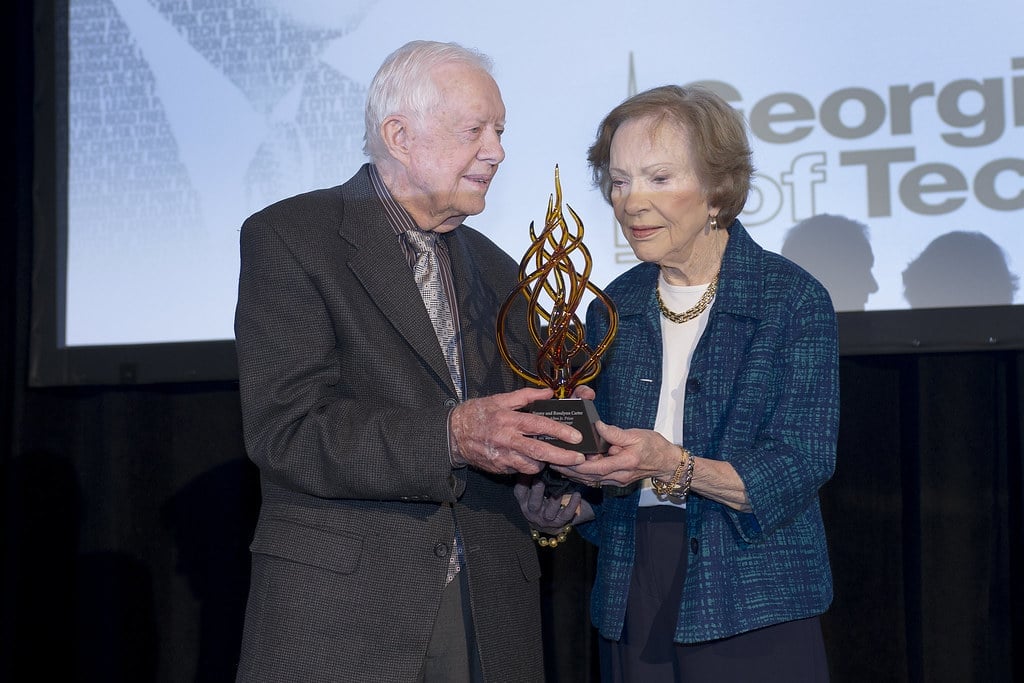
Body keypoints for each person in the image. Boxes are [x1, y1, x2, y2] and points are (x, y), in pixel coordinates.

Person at [234, 40, 590, 682]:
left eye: (501, 131)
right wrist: (451, 436)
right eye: (475, 130)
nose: (497, 151)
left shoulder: (497, 268)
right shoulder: (292, 238)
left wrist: (549, 476)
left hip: (490, 614)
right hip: (344, 613)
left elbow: (509, 433)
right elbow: (286, 432)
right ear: (399, 135)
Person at [517, 85, 839, 681]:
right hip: (633, 579)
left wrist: (673, 465)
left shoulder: (790, 299)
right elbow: (615, 464)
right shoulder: (612, 307)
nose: (631, 201)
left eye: (658, 178)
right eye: (618, 181)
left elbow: (801, 461)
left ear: (718, 188)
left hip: (751, 588)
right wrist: (572, 504)